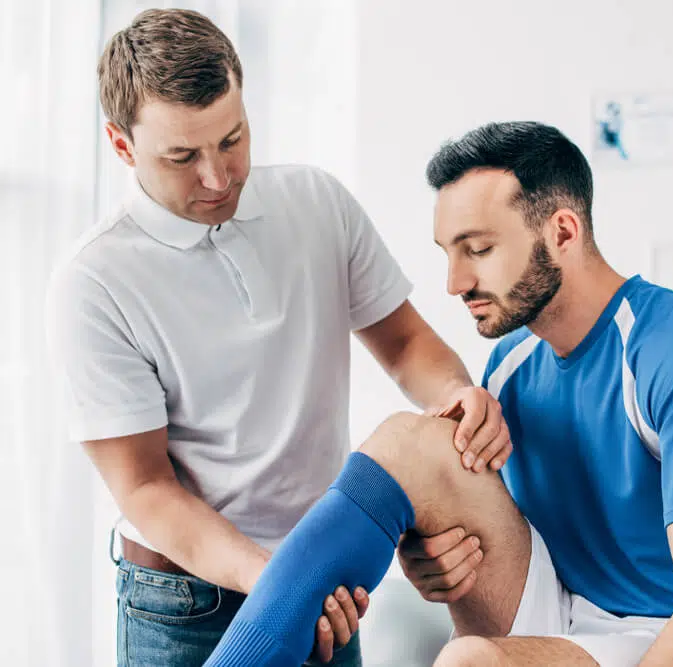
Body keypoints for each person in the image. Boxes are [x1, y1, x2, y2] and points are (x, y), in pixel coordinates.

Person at [201, 121, 673, 667]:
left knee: (469, 664)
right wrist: (429, 556)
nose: (455, 283)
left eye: (479, 250)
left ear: (562, 231)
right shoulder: (509, 366)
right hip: (570, 616)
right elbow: (493, 531)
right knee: (413, 442)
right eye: (449, 254)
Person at [44, 9, 510, 666]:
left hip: (322, 576)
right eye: (182, 156)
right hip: (183, 597)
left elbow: (406, 344)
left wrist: (459, 393)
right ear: (122, 146)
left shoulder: (316, 203)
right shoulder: (94, 281)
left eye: (232, 139)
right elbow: (147, 488)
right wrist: (279, 584)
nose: (218, 176)